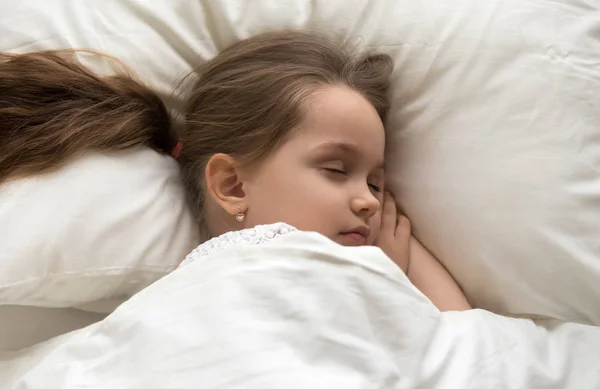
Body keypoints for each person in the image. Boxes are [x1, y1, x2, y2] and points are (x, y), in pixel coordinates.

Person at [0, 31, 470, 311]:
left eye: (375, 183)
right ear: (232, 184)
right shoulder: (234, 279)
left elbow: (474, 348)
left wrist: (379, 273)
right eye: (334, 168)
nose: (370, 201)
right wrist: (377, 285)